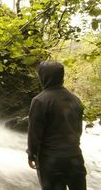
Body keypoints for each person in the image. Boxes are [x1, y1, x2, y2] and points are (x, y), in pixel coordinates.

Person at [27, 61, 86, 190]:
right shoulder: (75, 99)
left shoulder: (40, 101)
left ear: (43, 77)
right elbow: (78, 130)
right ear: (61, 76)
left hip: (51, 161)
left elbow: (34, 133)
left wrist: (31, 154)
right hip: (75, 156)